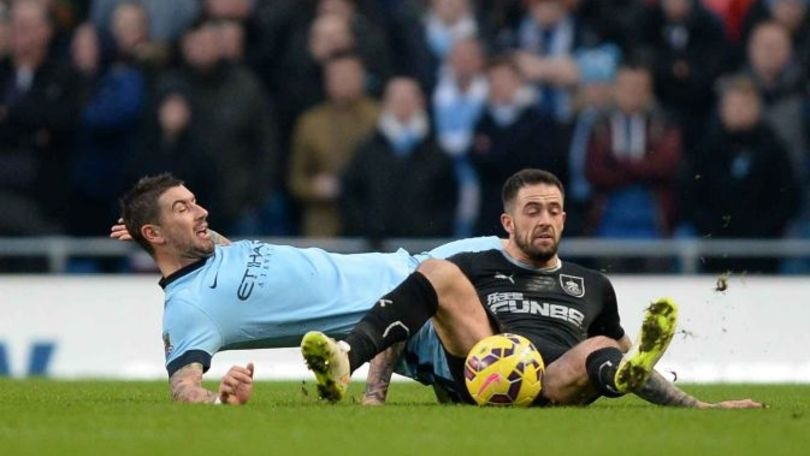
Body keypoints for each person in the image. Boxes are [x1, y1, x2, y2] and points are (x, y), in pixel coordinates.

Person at [301, 169, 763, 409]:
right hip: (483, 368)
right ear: (508, 222)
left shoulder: (593, 284)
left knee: (601, 347)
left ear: (564, 218)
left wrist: (698, 405)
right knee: (434, 273)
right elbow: (403, 311)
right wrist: (374, 395)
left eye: (554, 211)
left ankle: (617, 380)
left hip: (556, 381)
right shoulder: (475, 264)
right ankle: (345, 359)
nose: (545, 219)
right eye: (533, 210)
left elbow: (621, 352)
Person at [112, 172, 504, 405]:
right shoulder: (190, 307)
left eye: (194, 202)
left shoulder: (217, 252)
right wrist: (219, 400)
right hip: (423, 323)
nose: (201, 212)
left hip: (426, 261)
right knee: (527, 372)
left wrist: (150, 233)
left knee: (526, 243)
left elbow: (197, 238)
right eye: (182, 208)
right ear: (156, 233)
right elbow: (183, 387)